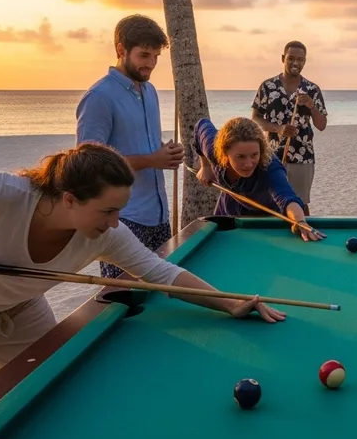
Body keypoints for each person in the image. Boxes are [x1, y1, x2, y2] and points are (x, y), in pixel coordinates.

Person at [0, 144, 286, 369]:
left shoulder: (107, 235)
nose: (116, 221)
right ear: (69, 199)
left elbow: (163, 273)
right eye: (107, 210)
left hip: (19, 309)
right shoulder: (5, 194)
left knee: (43, 378)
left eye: (119, 210)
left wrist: (229, 302)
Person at [76, 15, 183, 279]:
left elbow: (146, 144)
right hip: (121, 219)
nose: (151, 64)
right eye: (144, 55)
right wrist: (151, 159)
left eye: (156, 57)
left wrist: (165, 153)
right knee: (125, 301)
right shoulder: (99, 97)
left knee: (161, 296)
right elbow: (89, 164)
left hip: (158, 215)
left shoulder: (150, 92)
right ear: (121, 49)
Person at [193, 117, 324, 241]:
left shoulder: (270, 168)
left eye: (254, 155)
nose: (249, 163)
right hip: (229, 212)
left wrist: (300, 221)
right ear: (225, 152)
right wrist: (205, 166)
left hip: (265, 221)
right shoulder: (213, 150)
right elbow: (201, 125)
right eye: (241, 157)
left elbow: (288, 198)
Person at [251, 41, 327, 214]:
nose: (295, 63)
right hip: (270, 154)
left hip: (302, 156)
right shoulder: (267, 87)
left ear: (304, 62)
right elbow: (255, 118)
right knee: (270, 201)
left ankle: (304, 236)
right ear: (283, 58)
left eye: (300, 59)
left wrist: (311, 106)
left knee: (300, 202)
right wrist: (278, 129)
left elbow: (321, 125)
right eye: (291, 58)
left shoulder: (312, 90)